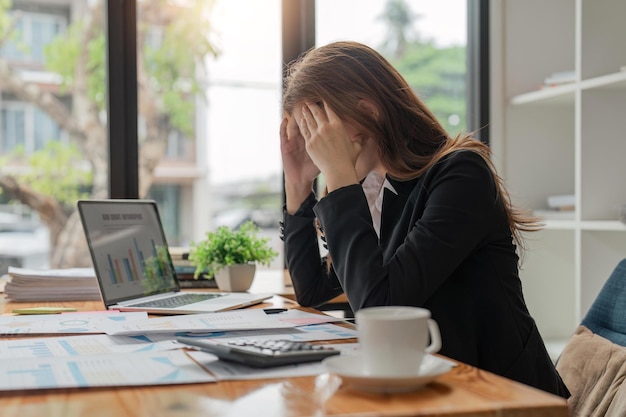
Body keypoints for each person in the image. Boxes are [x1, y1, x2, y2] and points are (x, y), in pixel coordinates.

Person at [279, 41, 570, 398]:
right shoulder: (379, 191)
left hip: (503, 397)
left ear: (368, 112)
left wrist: (339, 177)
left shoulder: (461, 175)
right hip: (432, 389)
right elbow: (313, 291)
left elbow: (378, 309)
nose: (315, 145)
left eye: (319, 128)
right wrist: (298, 184)